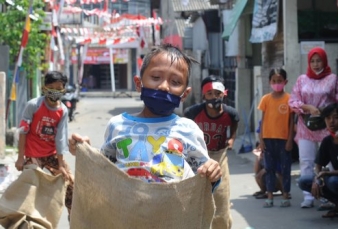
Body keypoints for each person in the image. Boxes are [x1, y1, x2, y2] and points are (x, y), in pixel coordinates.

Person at [69, 44, 221, 185]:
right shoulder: (118, 125)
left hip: (171, 213)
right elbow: (104, 171)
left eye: (175, 82)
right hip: (124, 212)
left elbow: (202, 183)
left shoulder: (189, 130)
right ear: (138, 84)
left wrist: (212, 172)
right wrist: (86, 152)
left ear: (184, 94)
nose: (163, 87)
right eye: (155, 78)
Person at [15, 71, 73, 218]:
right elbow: (23, 131)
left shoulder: (63, 111)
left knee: (70, 188)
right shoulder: (33, 105)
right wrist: (20, 157)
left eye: (59, 88)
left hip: (51, 155)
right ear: (44, 88)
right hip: (32, 156)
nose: (55, 91)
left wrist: (61, 164)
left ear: (64, 89)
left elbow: (60, 138)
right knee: (31, 195)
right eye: (51, 87)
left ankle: (74, 221)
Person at [184, 75, 239, 229]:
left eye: (217, 93)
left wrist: (232, 138)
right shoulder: (192, 113)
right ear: (203, 95)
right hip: (197, 157)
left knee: (220, 197)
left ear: (224, 93)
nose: (214, 97)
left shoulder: (231, 114)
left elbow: (234, 124)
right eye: (210, 93)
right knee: (195, 199)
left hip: (219, 156)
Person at [289, 47, 338, 208]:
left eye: (319, 60)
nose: (316, 64)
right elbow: (293, 101)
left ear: (325, 61)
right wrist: (307, 108)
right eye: (313, 61)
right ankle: (308, 196)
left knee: (332, 162)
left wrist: (328, 111)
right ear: (309, 63)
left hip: (327, 125)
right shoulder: (302, 79)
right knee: (306, 161)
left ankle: (330, 197)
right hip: (306, 126)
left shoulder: (333, 79)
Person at [258, 68, 294, 207]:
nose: (277, 83)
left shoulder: (289, 99)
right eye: (274, 81)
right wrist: (261, 139)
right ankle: (270, 196)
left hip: (284, 140)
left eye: (279, 81)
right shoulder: (265, 99)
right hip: (268, 139)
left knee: (285, 169)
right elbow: (262, 121)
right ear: (269, 82)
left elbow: (292, 121)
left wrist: (290, 139)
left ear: (285, 82)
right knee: (269, 169)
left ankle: (286, 195)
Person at [298, 103, 338, 218]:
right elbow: (318, 164)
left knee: (333, 181)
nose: (331, 122)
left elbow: (325, 172)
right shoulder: (327, 140)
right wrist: (317, 179)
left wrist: (325, 173)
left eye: (336, 118)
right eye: (328, 118)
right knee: (304, 181)